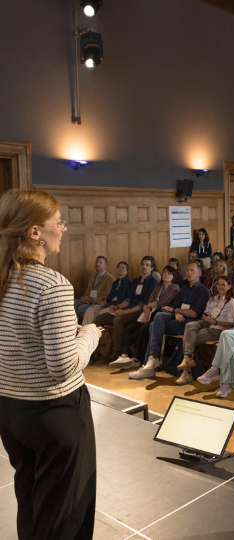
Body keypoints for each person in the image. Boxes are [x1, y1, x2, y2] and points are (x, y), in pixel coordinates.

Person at [0, 189, 101, 540]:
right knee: (63, 516)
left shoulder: (3, 278)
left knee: (30, 503)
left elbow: (15, 337)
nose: (65, 229)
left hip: (11, 412)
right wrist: (89, 335)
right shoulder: (52, 285)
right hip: (54, 413)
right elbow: (63, 368)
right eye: (58, 223)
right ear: (34, 232)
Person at [128, 261, 210, 379]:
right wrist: (177, 312)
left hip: (190, 324)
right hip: (177, 319)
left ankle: (149, 363)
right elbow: (173, 308)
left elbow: (193, 313)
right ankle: (152, 359)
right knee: (160, 316)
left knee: (153, 326)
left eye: (192, 270)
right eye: (187, 270)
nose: (188, 272)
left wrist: (178, 311)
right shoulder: (184, 289)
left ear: (199, 273)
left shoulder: (203, 291)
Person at [109, 266, 181, 369]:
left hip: (162, 314)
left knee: (142, 330)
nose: (166, 274)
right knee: (130, 328)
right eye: (164, 272)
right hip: (149, 312)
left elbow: (161, 304)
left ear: (174, 276)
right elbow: (148, 302)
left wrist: (148, 306)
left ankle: (136, 359)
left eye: (169, 273)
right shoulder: (158, 287)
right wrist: (146, 313)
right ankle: (124, 355)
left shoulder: (174, 288)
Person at [175, 276, 234, 385]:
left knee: (189, 339)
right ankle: (188, 359)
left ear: (229, 286)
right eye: (218, 284)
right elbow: (206, 313)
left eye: (223, 285)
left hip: (219, 329)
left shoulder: (232, 302)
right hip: (207, 324)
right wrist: (205, 317)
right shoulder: (212, 299)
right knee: (190, 325)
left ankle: (187, 372)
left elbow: (231, 323)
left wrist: (215, 322)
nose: (220, 287)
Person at [94, 257, 159, 360]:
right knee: (99, 318)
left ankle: (116, 351)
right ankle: (96, 349)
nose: (144, 267)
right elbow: (128, 300)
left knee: (118, 320)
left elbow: (143, 304)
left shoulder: (153, 282)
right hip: (128, 309)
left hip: (139, 311)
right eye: (142, 264)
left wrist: (125, 312)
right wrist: (117, 307)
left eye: (147, 265)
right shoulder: (136, 281)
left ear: (152, 268)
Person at [82, 261, 131, 325]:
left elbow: (127, 299)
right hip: (109, 304)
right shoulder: (115, 283)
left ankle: (92, 332)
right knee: (90, 310)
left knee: (100, 313)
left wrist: (115, 306)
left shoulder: (129, 282)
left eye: (123, 267)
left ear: (127, 271)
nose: (120, 269)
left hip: (117, 306)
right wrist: (104, 301)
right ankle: (84, 332)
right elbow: (110, 296)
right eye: (118, 267)